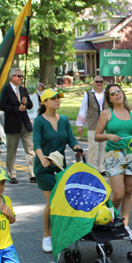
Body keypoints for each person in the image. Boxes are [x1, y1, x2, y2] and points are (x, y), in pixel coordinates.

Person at [33, 89, 84, 253]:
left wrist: (77, 148)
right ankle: (47, 235)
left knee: (63, 201)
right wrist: (42, 158)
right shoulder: (39, 121)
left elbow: (71, 139)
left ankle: (60, 231)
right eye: (53, 98)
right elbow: (36, 144)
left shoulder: (63, 120)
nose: (57, 100)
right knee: (52, 201)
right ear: (44, 102)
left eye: (58, 98)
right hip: (44, 167)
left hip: (60, 166)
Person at [95, 84, 132, 240]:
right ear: (109, 99)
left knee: (128, 193)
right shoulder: (106, 113)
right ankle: (103, 218)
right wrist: (108, 136)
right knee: (118, 194)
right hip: (114, 155)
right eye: (113, 93)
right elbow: (97, 136)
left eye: (119, 91)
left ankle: (125, 225)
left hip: (131, 154)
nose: (117, 94)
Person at [0, 68, 36, 184]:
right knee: (11, 151)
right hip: (12, 125)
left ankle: (32, 174)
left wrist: (25, 102)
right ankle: (11, 174)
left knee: (30, 150)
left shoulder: (23, 90)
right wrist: (16, 109)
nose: (21, 78)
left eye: (22, 76)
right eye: (19, 76)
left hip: (25, 124)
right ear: (12, 77)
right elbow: (2, 106)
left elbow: (29, 105)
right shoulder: (6, 89)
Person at [76, 76, 106, 174]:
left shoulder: (107, 93)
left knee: (104, 147)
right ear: (93, 83)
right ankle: (92, 168)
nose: (99, 83)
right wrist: (80, 125)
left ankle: (102, 168)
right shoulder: (88, 95)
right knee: (93, 147)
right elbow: (83, 109)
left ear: (103, 83)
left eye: (101, 82)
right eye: (97, 81)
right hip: (93, 124)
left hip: (105, 124)